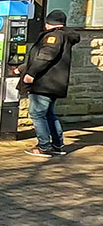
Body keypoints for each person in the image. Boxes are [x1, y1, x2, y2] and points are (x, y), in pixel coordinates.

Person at [21, 9, 81, 158]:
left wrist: (30, 73)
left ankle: (44, 146)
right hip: (54, 83)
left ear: (50, 24)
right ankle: (57, 145)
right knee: (49, 114)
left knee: (37, 113)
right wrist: (22, 68)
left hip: (45, 82)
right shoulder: (65, 36)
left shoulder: (54, 36)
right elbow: (40, 56)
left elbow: (45, 56)